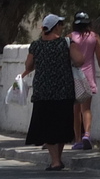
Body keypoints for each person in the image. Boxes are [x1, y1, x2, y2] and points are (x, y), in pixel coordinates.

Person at [24, 14, 77, 170]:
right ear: (57, 27)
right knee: (61, 125)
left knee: (47, 126)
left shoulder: (36, 45)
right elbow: (79, 60)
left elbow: (28, 66)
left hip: (43, 91)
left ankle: (56, 160)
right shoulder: (65, 43)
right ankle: (56, 160)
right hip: (64, 90)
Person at [68, 12, 100, 151]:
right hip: (89, 75)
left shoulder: (70, 37)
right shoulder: (94, 37)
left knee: (76, 110)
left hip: (74, 76)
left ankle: (78, 139)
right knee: (86, 109)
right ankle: (87, 134)